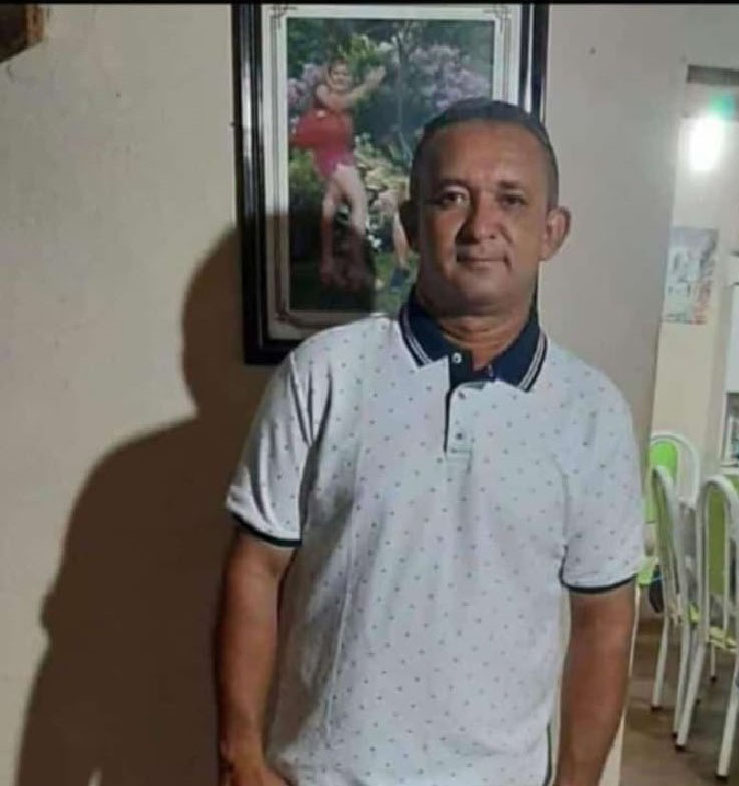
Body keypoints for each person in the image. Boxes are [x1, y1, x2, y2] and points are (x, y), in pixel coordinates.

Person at [217, 98, 645, 786]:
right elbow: (255, 570)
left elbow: (604, 623)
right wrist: (240, 756)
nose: (481, 227)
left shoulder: (591, 414)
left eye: (511, 200)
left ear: (551, 231)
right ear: (413, 226)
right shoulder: (326, 374)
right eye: (452, 198)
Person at [290, 58, 386, 292]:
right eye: (337, 74)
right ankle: (357, 267)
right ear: (328, 76)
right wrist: (368, 85)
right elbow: (338, 104)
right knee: (359, 201)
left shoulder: (345, 105)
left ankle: (328, 265)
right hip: (332, 159)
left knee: (331, 204)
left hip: (341, 157)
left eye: (345, 74)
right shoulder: (323, 92)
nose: (341, 78)